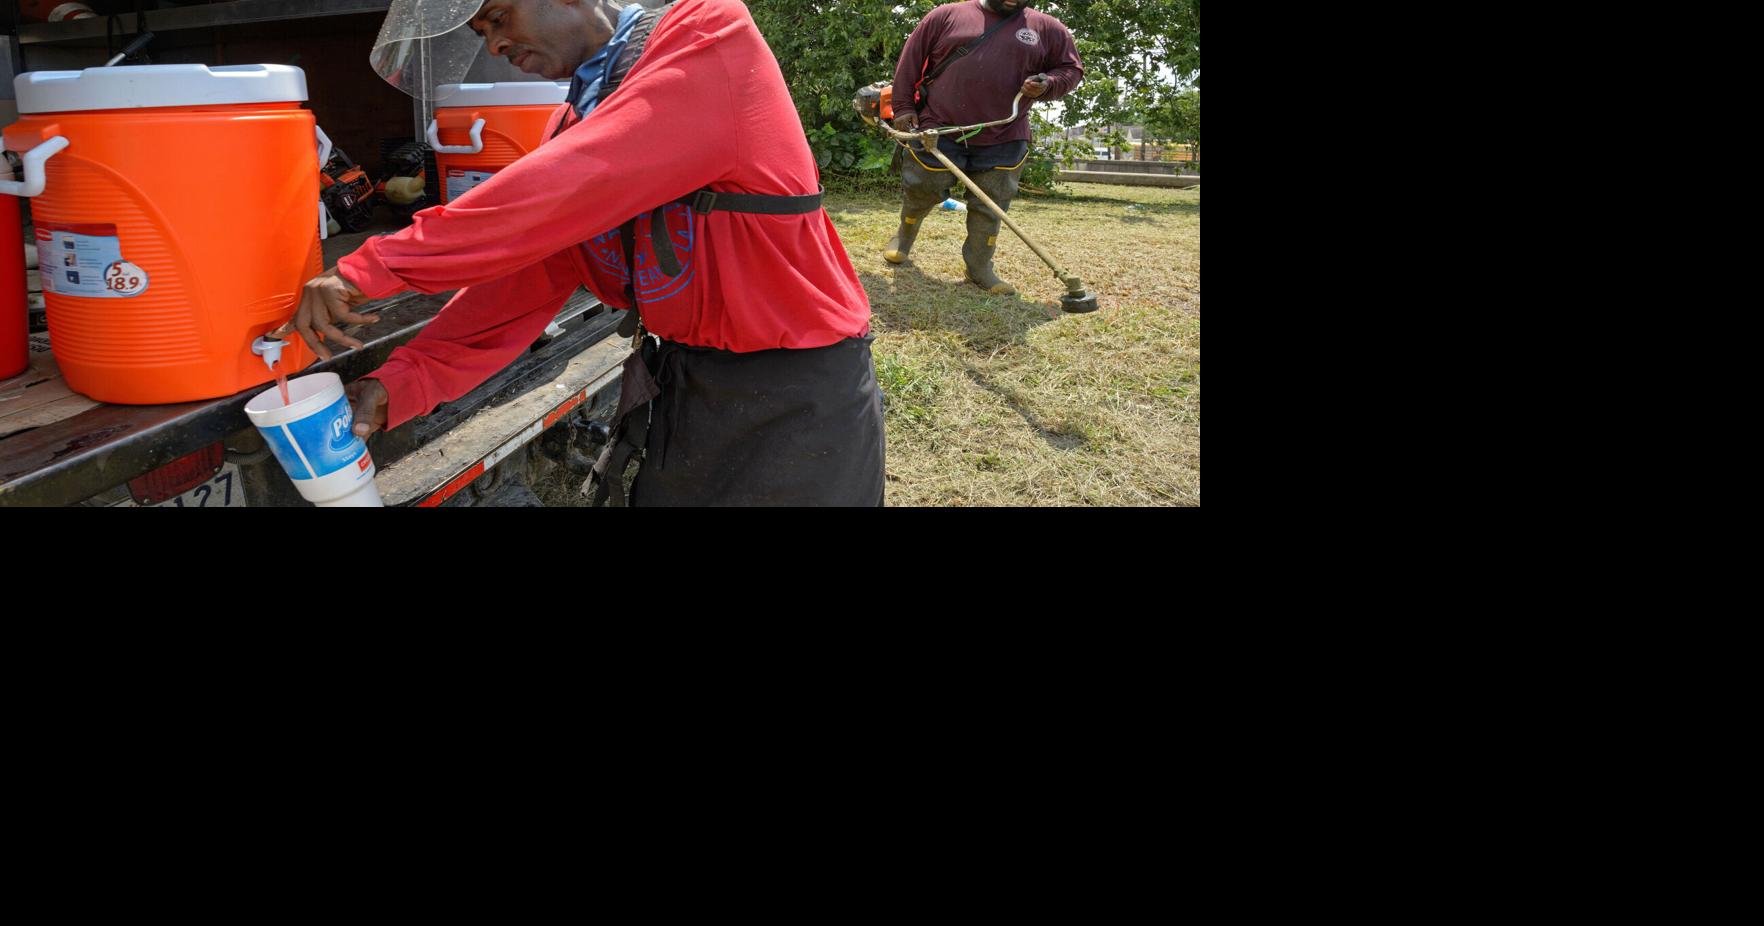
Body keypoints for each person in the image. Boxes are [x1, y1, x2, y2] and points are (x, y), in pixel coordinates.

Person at [289, 0, 885, 506]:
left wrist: (376, 266)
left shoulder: (709, 36)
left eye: (498, 17)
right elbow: (522, 281)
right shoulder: (578, 118)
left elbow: (564, 187)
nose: (494, 45)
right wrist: (401, 383)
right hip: (685, 381)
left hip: (798, 391)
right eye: (481, 34)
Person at [886, 0, 1082, 295]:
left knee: (991, 204)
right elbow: (910, 61)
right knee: (923, 187)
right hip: (940, 127)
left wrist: (1047, 83)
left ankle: (979, 267)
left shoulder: (1048, 28)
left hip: (1005, 132)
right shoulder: (946, 15)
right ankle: (904, 235)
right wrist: (903, 107)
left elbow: (1071, 70)